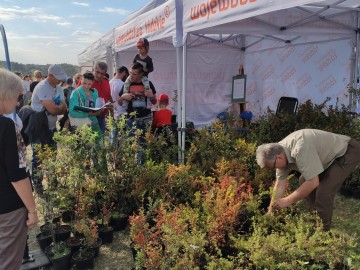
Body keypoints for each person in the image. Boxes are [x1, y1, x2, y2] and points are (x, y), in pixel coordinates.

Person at [256, 129, 360, 230]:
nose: (275, 169)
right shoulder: (279, 152)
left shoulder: (300, 149)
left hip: (346, 152)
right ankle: (316, 218)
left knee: (324, 192)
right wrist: (270, 212)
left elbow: (313, 182)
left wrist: (287, 201)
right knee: (303, 181)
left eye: (273, 166)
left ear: (279, 158)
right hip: (329, 157)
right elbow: (279, 185)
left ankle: (322, 233)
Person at [0, 68, 38, 270]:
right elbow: (17, 174)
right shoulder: (6, 126)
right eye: (16, 97)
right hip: (8, 207)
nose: (17, 103)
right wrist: (32, 210)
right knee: (7, 261)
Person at [31, 64, 67, 194]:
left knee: (52, 155)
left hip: (52, 127)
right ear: (50, 75)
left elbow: (64, 106)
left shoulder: (58, 88)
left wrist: (58, 109)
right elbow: (53, 109)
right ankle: (38, 184)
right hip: (39, 128)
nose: (60, 80)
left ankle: (52, 181)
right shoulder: (42, 88)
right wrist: (58, 109)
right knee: (39, 157)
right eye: (58, 78)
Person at [119, 62, 157, 163]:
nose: (131, 75)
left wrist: (151, 96)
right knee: (130, 142)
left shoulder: (148, 83)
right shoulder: (127, 83)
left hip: (145, 117)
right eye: (130, 72)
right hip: (131, 118)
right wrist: (123, 97)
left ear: (141, 74)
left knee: (143, 143)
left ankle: (141, 167)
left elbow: (155, 101)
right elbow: (119, 102)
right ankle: (131, 166)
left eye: (134, 74)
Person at [69, 72, 102, 137]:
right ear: (81, 80)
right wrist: (88, 114)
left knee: (100, 143)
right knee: (85, 145)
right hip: (82, 125)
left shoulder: (94, 92)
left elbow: (96, 107)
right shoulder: (75, 93)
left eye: (89, 84)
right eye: (84, 83)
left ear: (93, 83)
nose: (86, 86)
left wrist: (100, 110)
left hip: (94, 122)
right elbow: (72, 112)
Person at [91, 61, 112, 135]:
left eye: (102, 73)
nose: (99, 75)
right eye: (97, 72)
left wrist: (111, 113)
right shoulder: (87, 82)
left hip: (102, 117)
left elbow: (109, 96)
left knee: (101, 141)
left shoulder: (106, 81)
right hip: (91, 118)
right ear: (93, 70)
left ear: (105, 73)